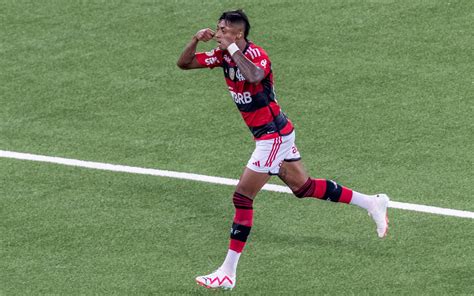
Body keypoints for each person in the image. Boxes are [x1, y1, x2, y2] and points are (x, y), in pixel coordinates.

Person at [177, 9, 390, 290]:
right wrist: (194, 39)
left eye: (224, 30)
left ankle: (227, 272)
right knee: (303, 188)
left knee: (242, 197)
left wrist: (230, 47)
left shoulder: (256, 56)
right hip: (272, 135)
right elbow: (185, 63)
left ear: (238, 34)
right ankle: (371, 202)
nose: (218, 34)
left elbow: (253, 76)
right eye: (217, 29)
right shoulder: (222, 55)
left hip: (273, 136)